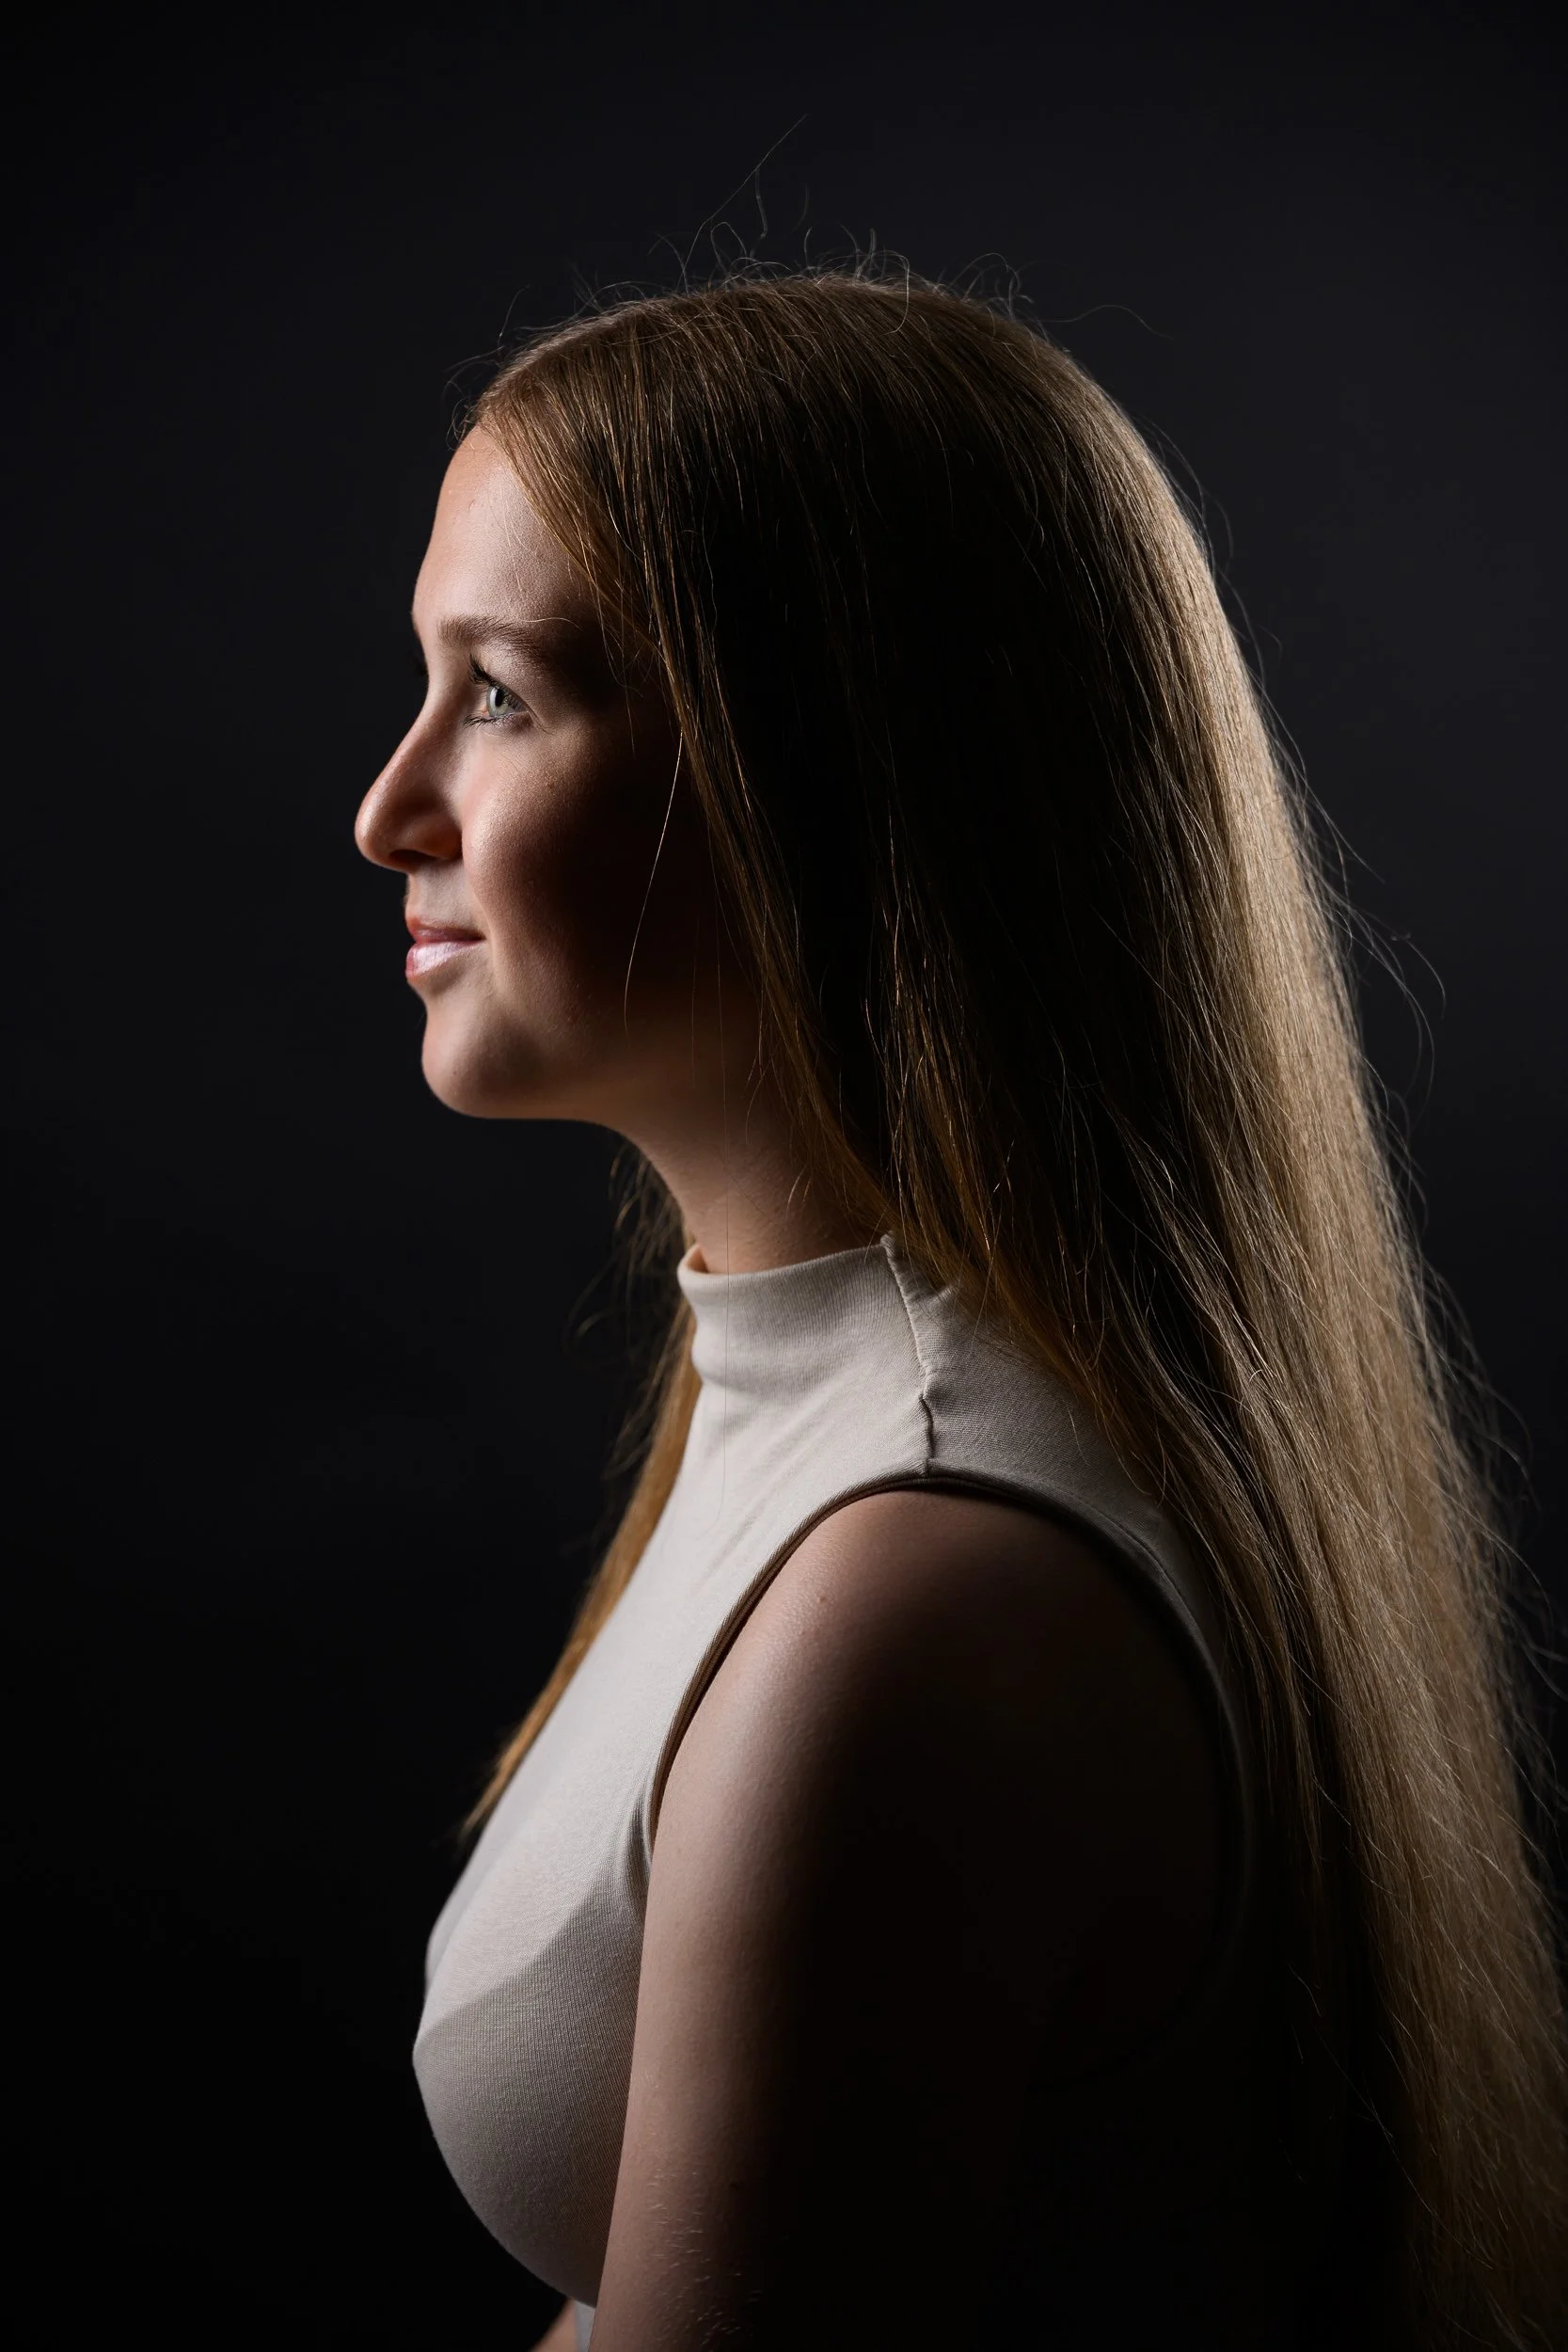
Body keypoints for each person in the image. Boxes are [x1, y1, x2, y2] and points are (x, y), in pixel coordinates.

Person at [354, 269, 1566, 2350]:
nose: (389, 811)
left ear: (823, 772)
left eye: (500, 693)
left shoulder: (912, 1599)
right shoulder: (843, 1439)